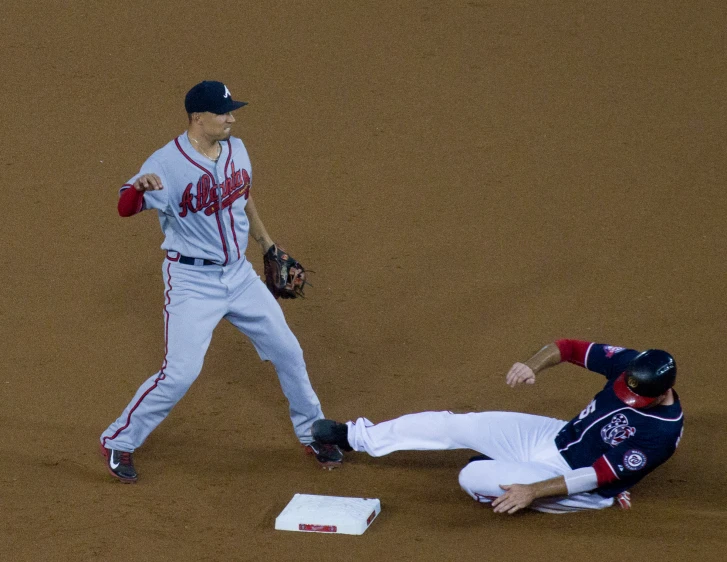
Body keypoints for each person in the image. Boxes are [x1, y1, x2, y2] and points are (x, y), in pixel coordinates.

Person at [100, 80, 343, 483]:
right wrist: (138, 188)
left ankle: (313, 432)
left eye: (232, 111)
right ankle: (119, 440)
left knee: (289, 352)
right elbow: (126, 207)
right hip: (193, 281)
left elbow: (244, 199)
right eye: (224, 112)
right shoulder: (164, 164)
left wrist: (267, 245)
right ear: (198, 118)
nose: (232, 118)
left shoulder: (236, 149)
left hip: (240, 275)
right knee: (180, 373)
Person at [312, 339, 683, 513]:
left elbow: (596, 475)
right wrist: (532, 365)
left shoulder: (660, 435)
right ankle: (354, 437)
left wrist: (534, 491)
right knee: (458, 426)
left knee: (471, 478)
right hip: (554, 435)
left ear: (661, 392)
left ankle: (510, 482)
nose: (624, 394)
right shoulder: (634, 365)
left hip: (572, 477)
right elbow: (568, 347)